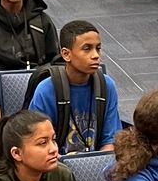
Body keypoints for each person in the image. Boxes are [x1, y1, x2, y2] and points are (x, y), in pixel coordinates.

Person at [26, 20, 123, 152]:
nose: (95, 55)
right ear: (66, 54)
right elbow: (40, 145)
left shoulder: (107, 85)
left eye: (98, 48)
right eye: (87, 49)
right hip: (57, 165)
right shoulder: (46, 90)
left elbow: (110, 141)